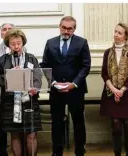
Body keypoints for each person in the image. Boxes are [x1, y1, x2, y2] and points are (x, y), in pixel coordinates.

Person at [40, 16, 91, 156]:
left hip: (75, 89)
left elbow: (86, 66)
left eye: (70, 29)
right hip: (56, 90)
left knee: (78, 121)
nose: (66, 31)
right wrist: (54, 83)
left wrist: (74, 83)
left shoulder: (82, 43)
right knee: (57, 122)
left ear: (74, 29)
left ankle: (80, 150)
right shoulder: (50, 43)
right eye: (64, 28)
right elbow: (45, 65)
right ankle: (57, 151)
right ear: (60, 26)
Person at [0, 29, 42, 156]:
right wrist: (9, 75)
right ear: (8, 45)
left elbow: (37, 77)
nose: (16, 46)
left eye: (18, 43)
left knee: (31, 134)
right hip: (11, 101)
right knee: (15, 135)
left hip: (29, 101)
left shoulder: (31, 58)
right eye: (13, 44)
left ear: (23, 43)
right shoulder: (2, 60)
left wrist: (34, 88)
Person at [100, 22, 128, 156]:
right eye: (115, 31)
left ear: (126, 36)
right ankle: (117, 153)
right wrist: (114, 90)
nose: (116, 35)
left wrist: (122, 90)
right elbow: (104, 73)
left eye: (119, 33)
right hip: (111, 93)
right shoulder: (108, 52)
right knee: (116, 126)